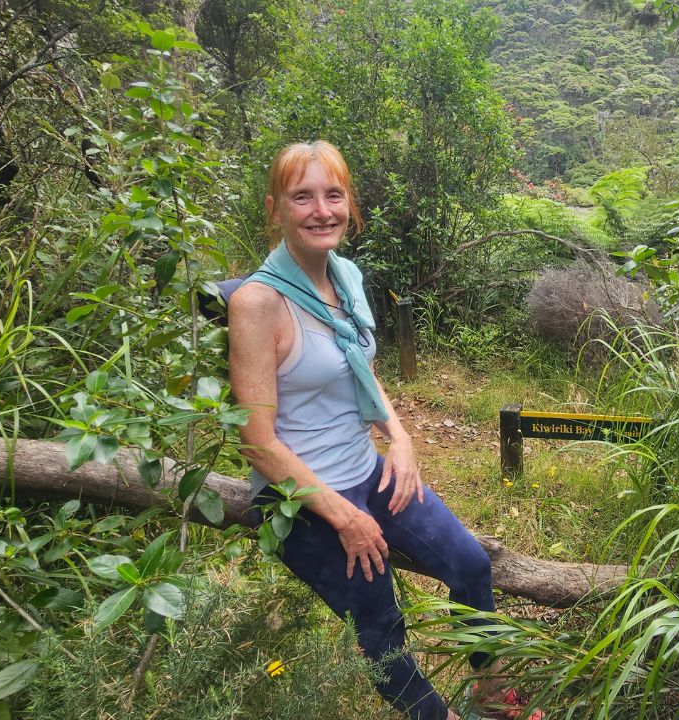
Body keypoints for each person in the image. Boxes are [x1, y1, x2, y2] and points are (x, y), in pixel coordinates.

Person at [227, 141, 541, 720]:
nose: (322, 210)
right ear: (274, 210)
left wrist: (400, 438)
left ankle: (494, 697)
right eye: (302, 197)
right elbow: (256, 440)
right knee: (381, 625)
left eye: (334, 195)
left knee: (470, 565)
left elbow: (360, 370)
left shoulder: (344, 276)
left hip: (365, 470)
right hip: (301, 499)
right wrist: (346, 518)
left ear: (350, 205)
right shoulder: (257, 304)